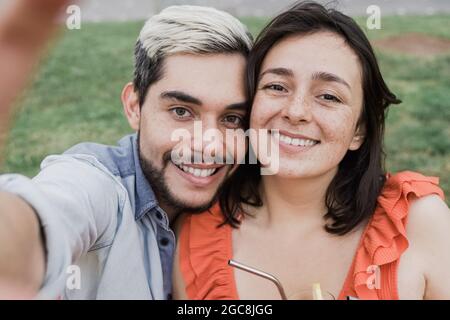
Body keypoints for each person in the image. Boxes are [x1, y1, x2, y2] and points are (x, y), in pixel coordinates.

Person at [173, 1, 450, 300]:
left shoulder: (418, 223)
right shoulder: (194, 238)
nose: (296, 111)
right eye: (277, 87)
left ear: (359, 130)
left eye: (329, 96)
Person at [0, 4, 253, 299]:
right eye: (181, 111)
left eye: (232, 119)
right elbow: (45, 215)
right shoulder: (98, 190)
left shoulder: (250, 196)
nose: (210, 145)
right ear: (134, 107)